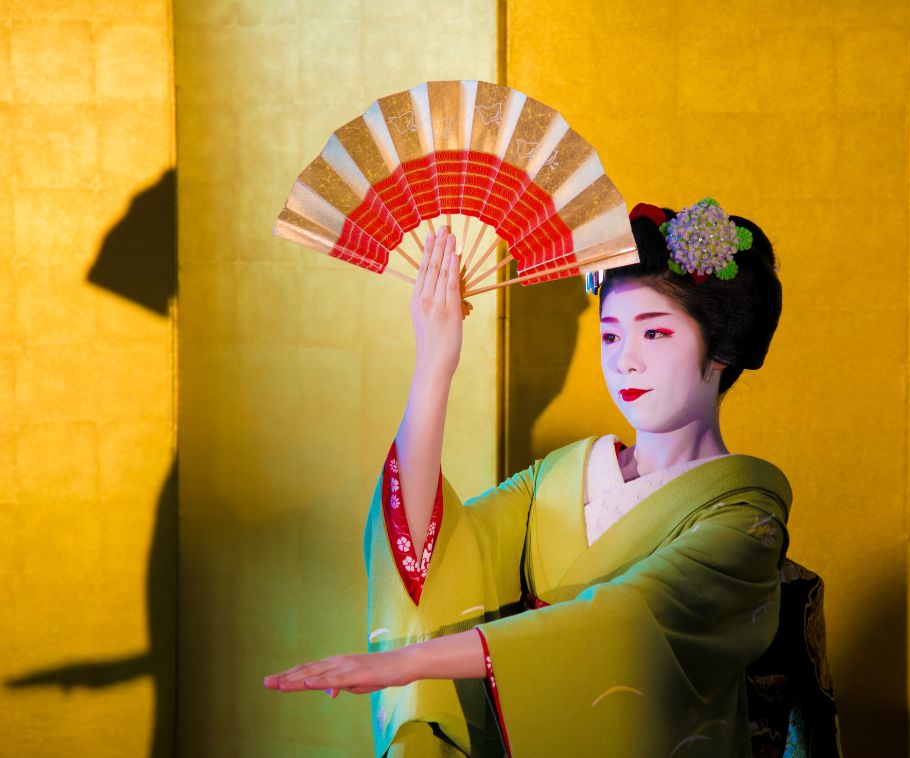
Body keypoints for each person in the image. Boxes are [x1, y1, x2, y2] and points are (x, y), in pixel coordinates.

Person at [265, 199, 789, 757]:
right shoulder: (563, 477)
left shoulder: (746, 516)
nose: (625, 361)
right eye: (610, 336)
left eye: (654, 334)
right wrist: (435, 366)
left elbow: (626, 623)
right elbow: (428, 551)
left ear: (722, 351)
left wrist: (402, 663)